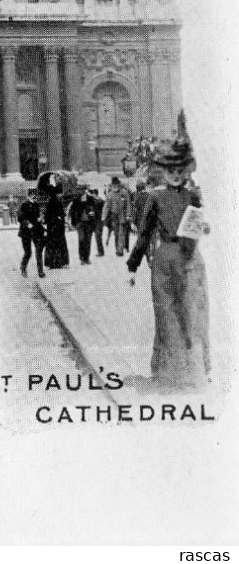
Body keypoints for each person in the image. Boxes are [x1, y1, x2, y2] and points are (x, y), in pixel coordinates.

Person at [127, 111, 211, 391]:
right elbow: (145, 232)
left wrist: (200, 226)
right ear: (163, 171)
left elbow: (198, 228)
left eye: (179, 170)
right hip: (165, 260)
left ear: (185, 171)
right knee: (166, 315)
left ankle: (193, 372)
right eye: (170, 170)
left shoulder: (194, 196)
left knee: (191, 314)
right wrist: (134, 261)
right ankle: (171, 374)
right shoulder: (155, 197)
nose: (175, 174)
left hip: (189, 259)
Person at [17, 187, 45, 278]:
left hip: (36, 231)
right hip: (26, 232)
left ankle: (40, 271)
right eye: (33, 195)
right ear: (29, 196)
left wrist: (40, 218)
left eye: (36, 195)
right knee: (28, 253)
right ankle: (23, 267)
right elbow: (20, 218)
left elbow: (39, 215)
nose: (35, 197)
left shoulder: (37, 205)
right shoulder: (24, 205)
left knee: (38, 251)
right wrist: (28, 223)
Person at [43, 180, 70, 269]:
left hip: (52, 227)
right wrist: (59, 219)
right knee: (60, 244)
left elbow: (46, 217)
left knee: (52, 244)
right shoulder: (56, 202)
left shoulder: (50, 203)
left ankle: (52, 262)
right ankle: (60, 262)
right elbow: (60, 214)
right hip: (58, 227)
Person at [104, 176, 132, 256]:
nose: (115, 187)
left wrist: (128, 215)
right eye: (114, 185)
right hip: (114, 216)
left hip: (122, 215)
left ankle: (120, 250)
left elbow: (128, 204)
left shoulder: (124, 192)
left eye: (116, 185)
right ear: (112, 185)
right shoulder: (110, 194)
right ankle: (117, 248)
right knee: (116, 234)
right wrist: (105, 215)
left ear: (119, 185)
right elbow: (107, 206)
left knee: (120, 233)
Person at [69, 186, 97, 265]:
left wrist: (92, 213)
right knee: (81, 240)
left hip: (89, 223)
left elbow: (94, 209)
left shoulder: (90, 199)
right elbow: (73, 212)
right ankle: (81, 258)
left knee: (88, 240)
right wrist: (74, 223)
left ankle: (87, 258)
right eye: (78, 189)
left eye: (80, 189)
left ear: (84, 190)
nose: (78, 191)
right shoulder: (76, 200)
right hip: (80, 223)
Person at [89, 189, 105, 256]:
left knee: (98, 236)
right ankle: (100, 251)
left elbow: (100, 202)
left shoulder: (99, 200)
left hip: (98, 221)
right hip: (95, 221)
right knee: (97, 236)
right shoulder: (93, 201)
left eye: (92, 194)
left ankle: (100, 252)